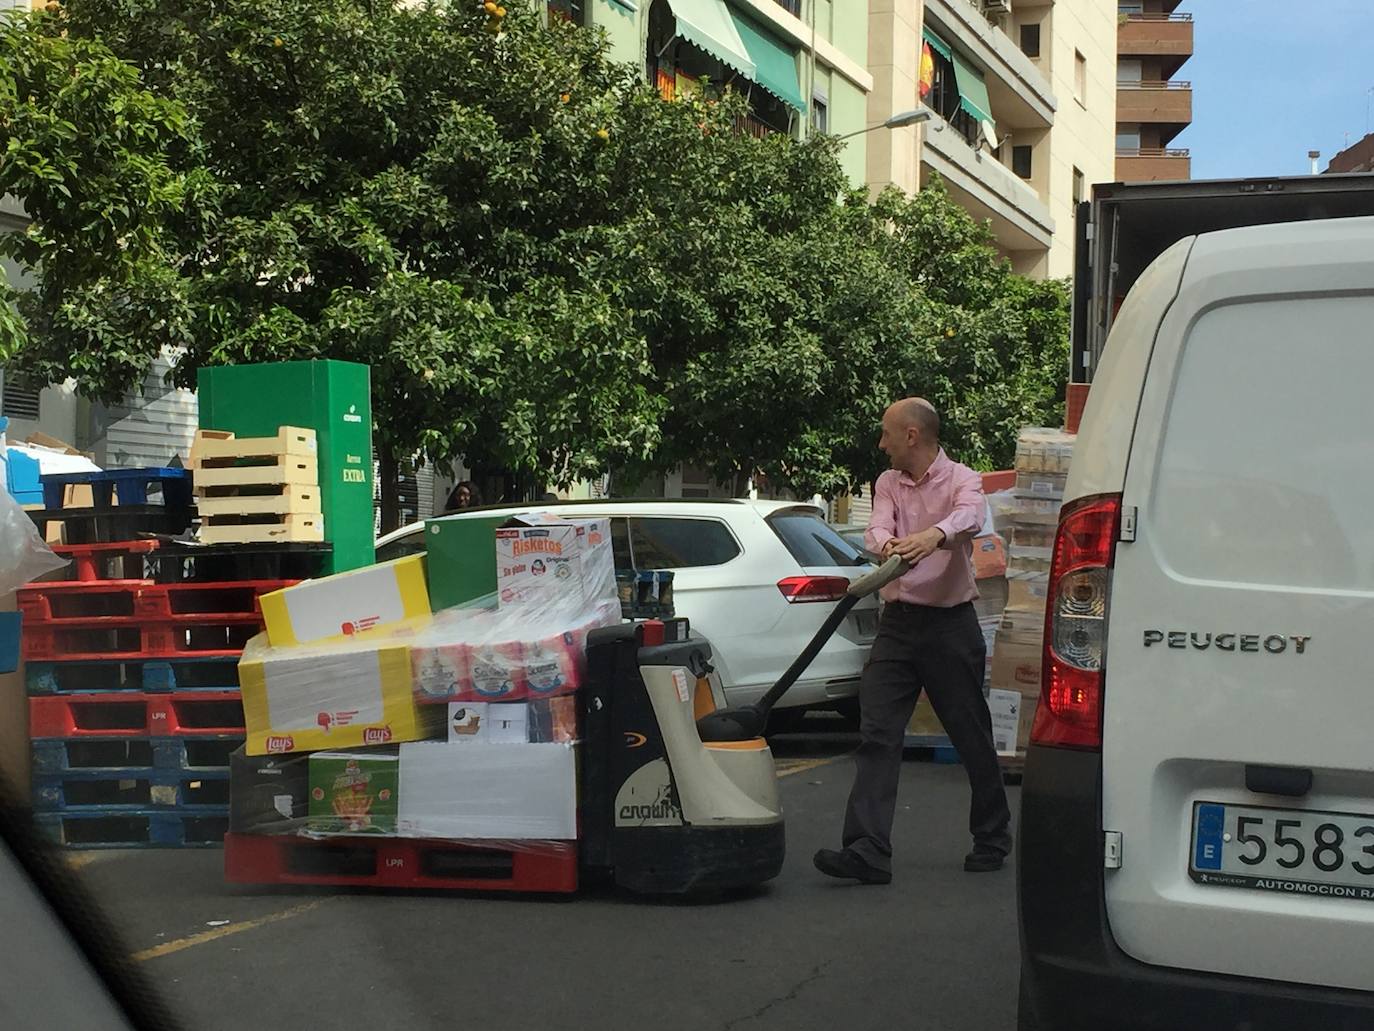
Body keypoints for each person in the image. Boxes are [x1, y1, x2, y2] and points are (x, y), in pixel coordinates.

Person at [814, 397, 1012, 885]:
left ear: (911, 436)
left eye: (885, 434)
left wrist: (933, 536)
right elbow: (877, 527)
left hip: (950, 626)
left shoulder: (962, 479)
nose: (879, 444)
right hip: (899, 625)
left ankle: (992, 836)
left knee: (970, 734)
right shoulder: (887, 484)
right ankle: (867, 849)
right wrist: (889, 545)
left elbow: (970, 517)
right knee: (877, 732)